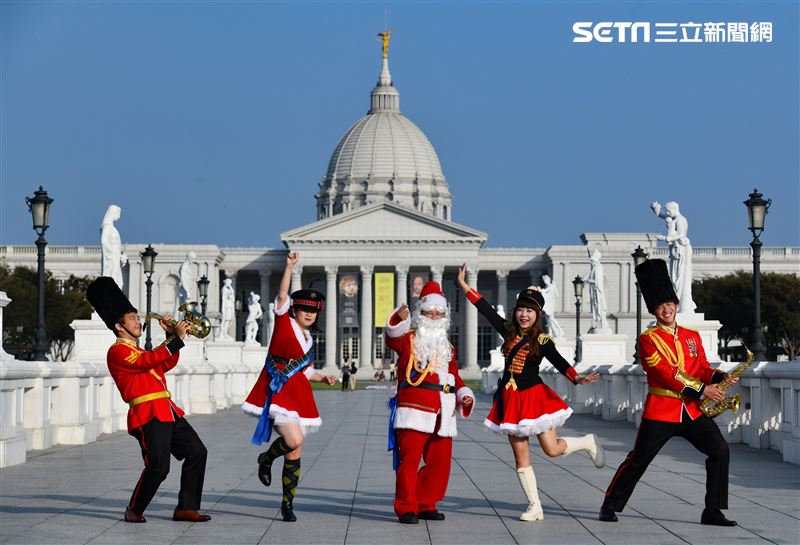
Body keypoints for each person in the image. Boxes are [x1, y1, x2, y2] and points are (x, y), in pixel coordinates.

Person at [457, 264, 604, 522]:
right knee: (520, 454)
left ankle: (587, 442)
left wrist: (577, 379)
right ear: (516, 312)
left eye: (530, 311)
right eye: (521, 309)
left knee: (552, 449)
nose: (524, 315)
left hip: (535, 398)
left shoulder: (543, 341)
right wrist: (464, 285)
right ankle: (534, 505)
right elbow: (485, 308)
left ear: (538, 314)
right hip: (510, 400)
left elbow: (559, 362)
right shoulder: (508, 330)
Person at [599, 259, 737, 526]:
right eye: (661, 305)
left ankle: (712, 511)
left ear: (676, 304)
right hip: (662, 410)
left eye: (670, 304)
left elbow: (701, 367)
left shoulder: (691, 336)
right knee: (638, 461)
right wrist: (702, 390)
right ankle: (610, 504)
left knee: (720, 450)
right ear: (654, 310)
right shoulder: (648, 340)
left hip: (692, 410)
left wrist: (720, 377)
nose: (667, 309)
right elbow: (666, 373)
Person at [85, 277, 210, 524]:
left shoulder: (140, 350)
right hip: (147, 414)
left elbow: (163, 363)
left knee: (197, 452)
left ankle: (186, 507)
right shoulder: (117, 351)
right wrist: (175, 340)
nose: (138, 321)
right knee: (158, 467)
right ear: (119, 326)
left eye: (137, 316)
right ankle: (134, 508)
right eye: (132, 318)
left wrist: (170, 337)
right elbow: (146, 362)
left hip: (168, 411)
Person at [242, 252, 336, 522]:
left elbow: (305, 371)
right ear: (294, 310)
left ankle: (287, 504)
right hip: (279, 391)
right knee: (294, 439)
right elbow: (282, 296)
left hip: (300, 394)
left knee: (295, 450)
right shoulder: (284, 322)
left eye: (313, 311)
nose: (309, 314)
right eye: (305, 309)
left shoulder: (308, 339)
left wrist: (324, 378)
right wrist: (289, 266)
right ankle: (266, 459)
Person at [385, 280, 474, 524]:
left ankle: (426, 502)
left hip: (442, 411)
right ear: (420, 314)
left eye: (439, 313)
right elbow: (392, 338)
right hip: (414, 408)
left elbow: (454, 375)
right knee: (409, 461)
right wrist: (397, 319)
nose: (434, 316)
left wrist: (463, 394)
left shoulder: (448, 348)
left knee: (440, 464)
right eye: (430, 312)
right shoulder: (409, 339)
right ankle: (406, 507)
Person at [651, 200, 696, 313]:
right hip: (676, 251)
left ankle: (683, 303)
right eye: (667, 211)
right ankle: (678, 301)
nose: (667, 213)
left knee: (679, 278)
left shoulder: (681, 220)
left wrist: (666, 238)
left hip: (681, 251)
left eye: (669, 211)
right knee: (675, 278)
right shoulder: (674, 218)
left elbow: (681, 234)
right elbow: (661, 215)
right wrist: (656, 209)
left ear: (675, 209)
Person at [100, 204, 127, 290]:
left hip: (114, 259)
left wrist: (119, 256)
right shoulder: (107, 226)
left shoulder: (111, 227)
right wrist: (116, 255)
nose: (119, 216)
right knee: (114, 283)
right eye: (118, 214)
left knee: (118, 283)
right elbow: (103, 241)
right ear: (113, 213)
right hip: (111, 259)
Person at [586, 249, 610, 332]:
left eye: (592, 261)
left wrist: (589, 281)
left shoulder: (598, 268)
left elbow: (598, 282)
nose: (591, 263)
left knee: (600, 308)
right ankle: (602, 324)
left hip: (597, 292)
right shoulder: (595, 269)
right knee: (597, 309)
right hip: (594, 292)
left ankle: (604, 324)